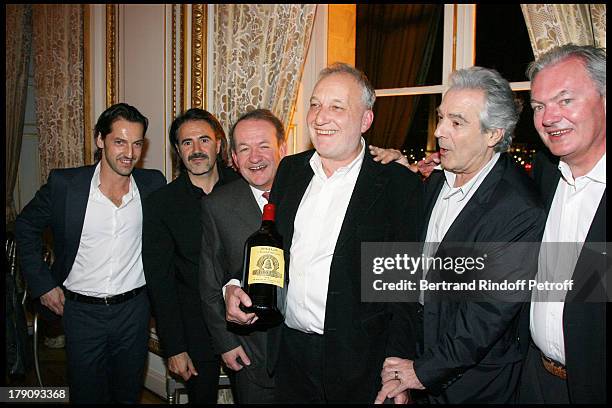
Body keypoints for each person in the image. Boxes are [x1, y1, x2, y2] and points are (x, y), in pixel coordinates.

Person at [227, 63, 422, 403]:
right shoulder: (291, 170)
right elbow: (273, 247)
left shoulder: (396, 185)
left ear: (365, 120)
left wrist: (396, 370)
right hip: (289, 354)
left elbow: (402, 290)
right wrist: (234, 285)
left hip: (359, 363)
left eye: (336, 107)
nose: (319, 117)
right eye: (315, 105)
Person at [375, 67, 546, 404]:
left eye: (456, 122)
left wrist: (421, 372)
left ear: (493, 134)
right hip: (419, 360)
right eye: (441, 118)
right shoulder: (438, 178)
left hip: (474, 383)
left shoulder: (518, 209)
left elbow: (485, 318)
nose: (439, 131)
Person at [15, 103, 166, 403]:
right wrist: (43, 284)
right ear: (100, 140)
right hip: (81, 312)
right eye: (120, 141)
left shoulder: (152, 185)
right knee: (86, 394)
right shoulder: (66, 185)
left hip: (134, 311)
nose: (129, 153)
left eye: (137, 144)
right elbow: (25, 226)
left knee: (127, 394)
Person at [517, 44, 606, 404]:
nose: (548, 118)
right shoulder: (545, 175)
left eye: (565, 100)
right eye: (539, 106)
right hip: (536, 380)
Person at [142, 108, 239, 403]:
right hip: (193, 328)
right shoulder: (162, 204)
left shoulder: (244, 188)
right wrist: (174, 346)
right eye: (187, 143)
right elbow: (161, 282)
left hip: (245, 326)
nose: (196, 150)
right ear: (177, 150)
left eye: (204, 140)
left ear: (219, 145)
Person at [199, 108, 287, 403]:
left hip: (312, 354)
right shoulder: (217, 206)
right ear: (234, 159)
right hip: (253, 353)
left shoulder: (311, 193)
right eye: (244, 149)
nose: (255, 157)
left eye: (264, 146)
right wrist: (225, 343)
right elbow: (210, 280)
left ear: (282, 149)